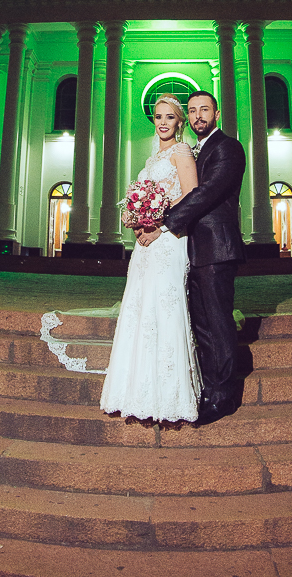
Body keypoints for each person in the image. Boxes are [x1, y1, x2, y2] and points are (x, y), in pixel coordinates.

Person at [140, 91, 246, 424]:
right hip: (192, 248)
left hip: (217, 248)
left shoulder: (228, 148)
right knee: (202, 326)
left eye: (205, 110)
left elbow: (205, 193)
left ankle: (224, 397)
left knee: (218, 324)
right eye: (193, 110)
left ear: (217, 114)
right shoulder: (194, 150)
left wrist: (162, 224)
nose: (199, 115)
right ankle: (209, 389)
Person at [99, 96, 202, 423]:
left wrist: (160, 224)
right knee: (140, 307)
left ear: (179, 122)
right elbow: (144, 197)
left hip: (169, 240)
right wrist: (136, 218)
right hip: (145, 243)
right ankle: (135, 391)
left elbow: (192, 195)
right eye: (158, 116)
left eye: (169, 117)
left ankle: (170, 398)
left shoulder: (181, 151)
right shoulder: (152, 156)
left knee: (164, 306)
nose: (162, 122)